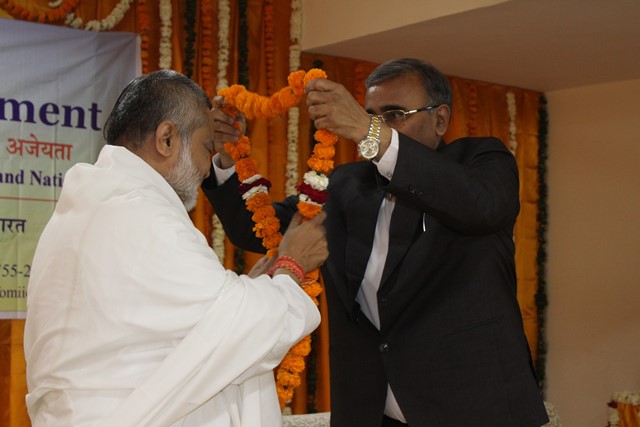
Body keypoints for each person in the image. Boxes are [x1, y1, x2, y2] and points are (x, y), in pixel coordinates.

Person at [203, 58, 549, 426]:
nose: (375, 126)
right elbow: (256, 230)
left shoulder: (480, 162)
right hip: (372, 409)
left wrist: (368, 131)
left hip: (475, 406)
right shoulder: (348, 185)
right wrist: (228, 157)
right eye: (370, 114)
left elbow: (480, 206)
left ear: (441, 119)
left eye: (394, 114)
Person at [23, 69, 328, 427]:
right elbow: (247, 329)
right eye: (205, 147)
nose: (203, 169)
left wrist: (257, 286)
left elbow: (182, 321)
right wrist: (292, 265)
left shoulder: (89, 205)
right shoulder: (143, 214)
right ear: (167, 138)